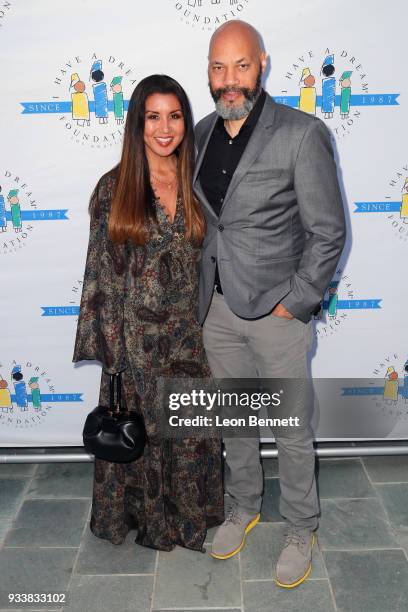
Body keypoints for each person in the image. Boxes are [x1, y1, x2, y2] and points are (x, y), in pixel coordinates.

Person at [194, 21, 346, 587]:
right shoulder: (204, 131)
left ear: (262, 64)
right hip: (219, 311)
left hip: (279, 313)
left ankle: (301, 525)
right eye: (218, 67)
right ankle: (244, 506)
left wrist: (296, 305)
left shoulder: (302, 133)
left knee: (290, 427)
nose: (229, 80)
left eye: (240, 66)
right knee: (234, 419)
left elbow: (328, 232)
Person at [73, 74, 224, 552]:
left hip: (189, 337)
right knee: (143, 439)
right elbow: (99, 273)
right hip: (135, 344)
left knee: (192, 438)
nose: (165, 128)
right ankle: (145, 518)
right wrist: (113, 354)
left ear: (185, 121)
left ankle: (189, 518)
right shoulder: (113, 187)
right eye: (153, 116)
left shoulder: (196, 179)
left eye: (175, 116)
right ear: (137, 124)